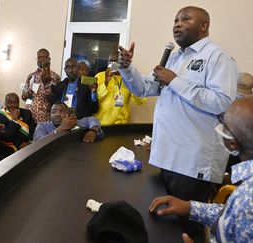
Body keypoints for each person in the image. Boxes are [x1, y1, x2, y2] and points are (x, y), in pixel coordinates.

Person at [118, 6, 238, 242]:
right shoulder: (175, 57)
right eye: (175, 20)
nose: (177, 24)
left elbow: (222, 102)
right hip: (168, 155)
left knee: (188, 230)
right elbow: (145, 88)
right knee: (165, 228)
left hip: (193, 161)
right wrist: (127, 67)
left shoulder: (218, 57)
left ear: (204, 25)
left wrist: (175, 81)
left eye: (185, 19)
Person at [149, 96, 253, 243]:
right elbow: (235, 217)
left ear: (232, 144)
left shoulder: (246, 197)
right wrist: (191, 207)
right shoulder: (244, 201)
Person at [94, 53, 146, 125]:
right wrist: (105, 82)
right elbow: (94, 100)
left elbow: (140, 101)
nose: (112, 64)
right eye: (110, 61)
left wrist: (131, 82)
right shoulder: (99, 76)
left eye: (115, 62)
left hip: (120, 125)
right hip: (100, 123)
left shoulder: (129, 79)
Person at [22, 48, 61, 122]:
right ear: (37, 59)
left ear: (49, 59)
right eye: (40, 57)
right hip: (29, 115)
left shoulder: (55, 77)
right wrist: (28, 92)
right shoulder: (31, 76)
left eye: (45, 57)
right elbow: (23, 97)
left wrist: (45, 82)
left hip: (45, 117)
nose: (42, 59)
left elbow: (55, 98)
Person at [33, 102, 103, 143]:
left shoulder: (71, 123)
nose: (57, 114)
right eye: (54, 112)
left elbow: (92, 119)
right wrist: (61, 128)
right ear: (50, 115)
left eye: (62, 111)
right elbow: (39, 142)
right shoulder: (42, 126)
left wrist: (93, 130)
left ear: (68, 113)